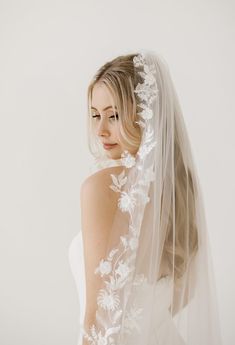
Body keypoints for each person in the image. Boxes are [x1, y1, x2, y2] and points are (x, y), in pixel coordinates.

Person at [68, 50, 223, 345]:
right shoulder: (180, 188)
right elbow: (183, 294)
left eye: (114, 115)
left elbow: (97, 314)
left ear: (145, 115)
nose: (101, 130)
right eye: (95, 115)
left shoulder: (100, 187)